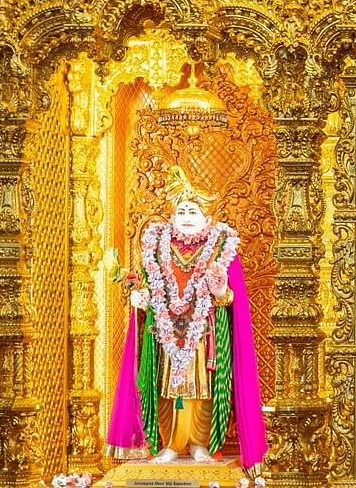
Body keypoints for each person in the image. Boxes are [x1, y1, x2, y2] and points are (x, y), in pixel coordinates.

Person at [107, 168, 269, 470]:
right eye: (181, 210)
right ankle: (170, 444)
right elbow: (147, 285)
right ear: (172, 217)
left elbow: (233, 298)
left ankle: (199, 444)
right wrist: (139, 299)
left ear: (207, 217)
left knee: (203, 386)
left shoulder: (222, 247)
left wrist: (222, 292)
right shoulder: (157, 248)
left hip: (205, 333)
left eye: (193, 210)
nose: (186, 215)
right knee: (166, 386)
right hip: (165, 332)